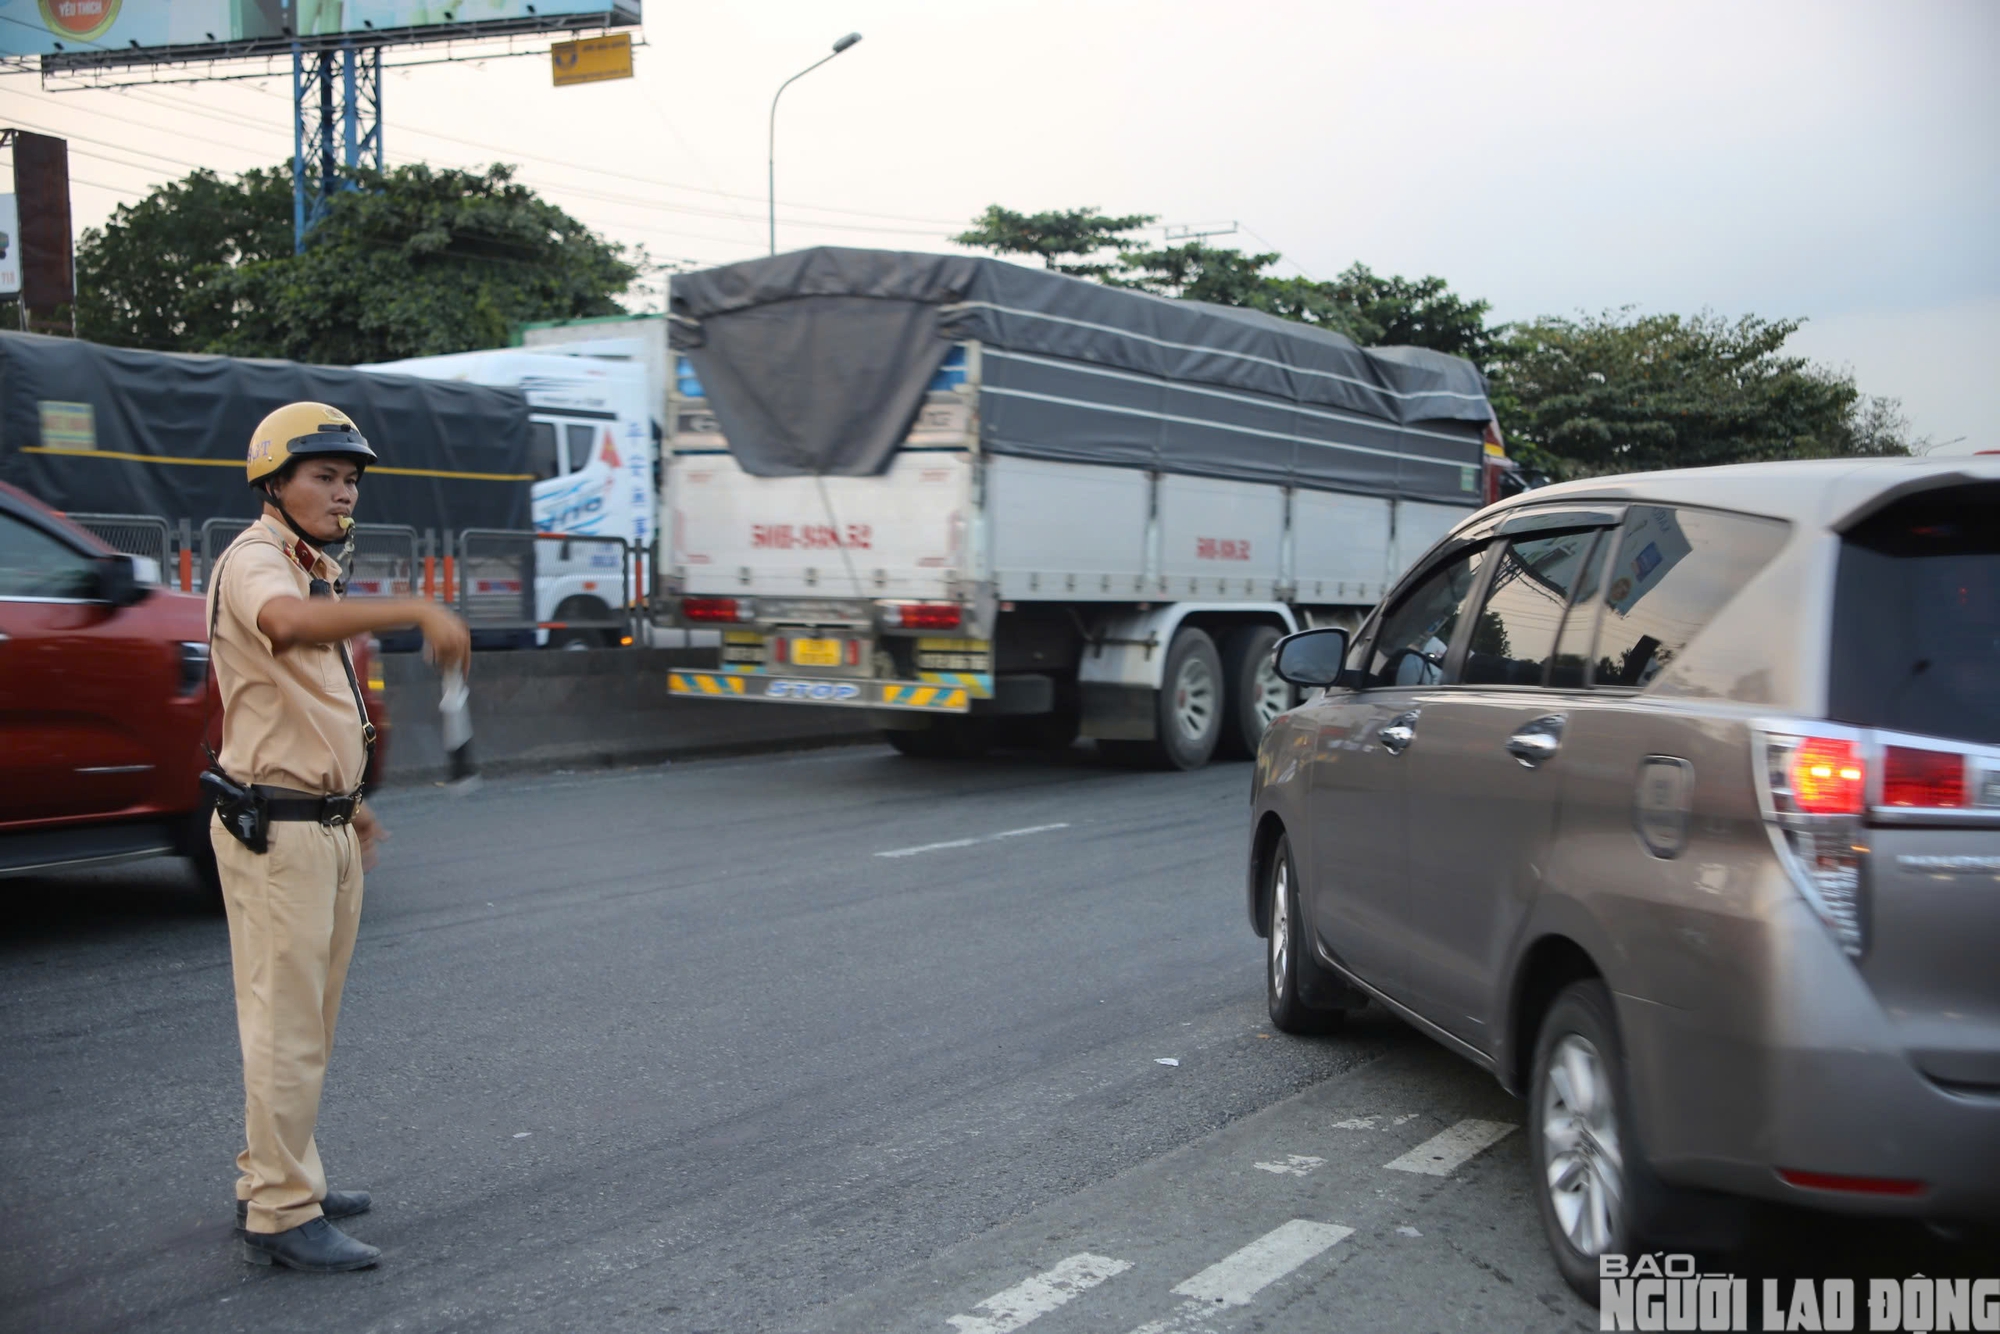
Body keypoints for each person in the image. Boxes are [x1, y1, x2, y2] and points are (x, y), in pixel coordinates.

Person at [206, 402, 470, 1272]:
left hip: (316, 821)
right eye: (322, 476)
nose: (341, 492)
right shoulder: (256, 562)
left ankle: (275, 1176)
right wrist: (413, 611)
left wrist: (349, 802)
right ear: (273, 483)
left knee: (303, 1022)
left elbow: (308, 703)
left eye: (350, 479)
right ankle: (281, 1213)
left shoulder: (310, 568)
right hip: (275, 830)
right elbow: (281, 627)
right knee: (286, 1025)